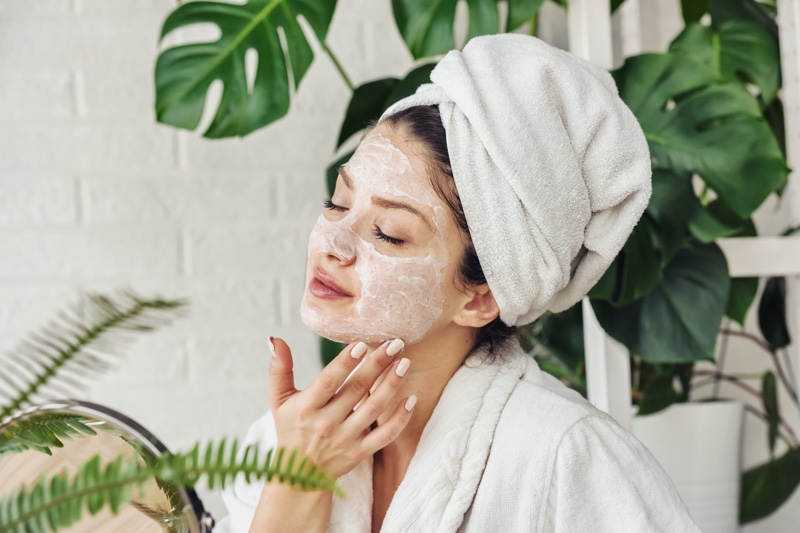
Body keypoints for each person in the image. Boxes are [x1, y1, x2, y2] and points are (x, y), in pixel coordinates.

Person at [215, 34, 700, 532]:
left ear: (482, 298)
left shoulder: (567, 458)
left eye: (390, 233)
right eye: (338, 202)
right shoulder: (288, 439)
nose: (332, 242)